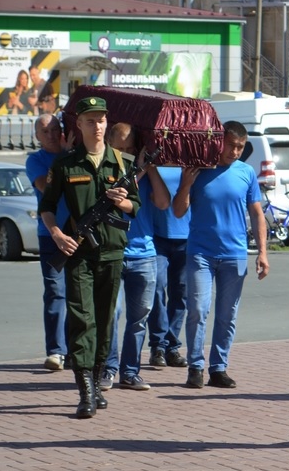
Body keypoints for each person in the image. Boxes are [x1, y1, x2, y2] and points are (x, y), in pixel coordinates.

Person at [39, 96, 142, 419]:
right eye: (90, 121)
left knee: (105, 318)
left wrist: (122, 201)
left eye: (101, 120)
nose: (97, 126)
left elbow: (135, 207)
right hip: (79, 253)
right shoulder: (65, 164)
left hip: (112, 252)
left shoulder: (122, 163)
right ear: (79, 125)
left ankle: (97, 382)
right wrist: (57, 235)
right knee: (83, 319)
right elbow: (46, 207)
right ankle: (85, 390)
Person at [172, 120, 270, 391]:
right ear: (219, 142)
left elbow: (257, 214)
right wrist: (185, 184)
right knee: (198, 309)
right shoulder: (198, 169)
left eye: (240, 147)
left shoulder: (246, 173)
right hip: (200, 253)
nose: (235, 152)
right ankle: (195, 367)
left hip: (235, 254)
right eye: (231, 145)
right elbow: (178, 211)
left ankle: (218, 368)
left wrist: (263, 252)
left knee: (227, 315)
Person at [100, 123, 170, 393]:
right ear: (110, 145)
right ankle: (108, 368)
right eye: (120, 148)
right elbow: (115, 196)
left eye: (130, 148)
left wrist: (150, 168)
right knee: (111, 313)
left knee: (139, 318)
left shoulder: (146, 172)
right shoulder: (104, 170)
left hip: (145, 254)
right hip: (113, 251)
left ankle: (130, 371)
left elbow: (163, 202)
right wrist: (137, 169)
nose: (125, 153)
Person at [26, 114, 71, 371]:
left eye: (55, 129)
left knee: (78, 293)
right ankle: (55, 351)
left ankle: (75, 349)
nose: (52, 135)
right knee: (55, 291)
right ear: (37, 136)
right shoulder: (35, 160)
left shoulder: (75, 155)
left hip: (78, 233)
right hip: (50, 235)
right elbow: (47, 186)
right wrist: (66, 157)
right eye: (45, 131)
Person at [146, 166, 191, 369]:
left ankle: (172, 346)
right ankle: (158, 345)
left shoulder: (192, 160)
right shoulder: (154, 161)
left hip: (187, 237)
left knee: (180, 293)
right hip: (157, 237)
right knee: (156, 288)